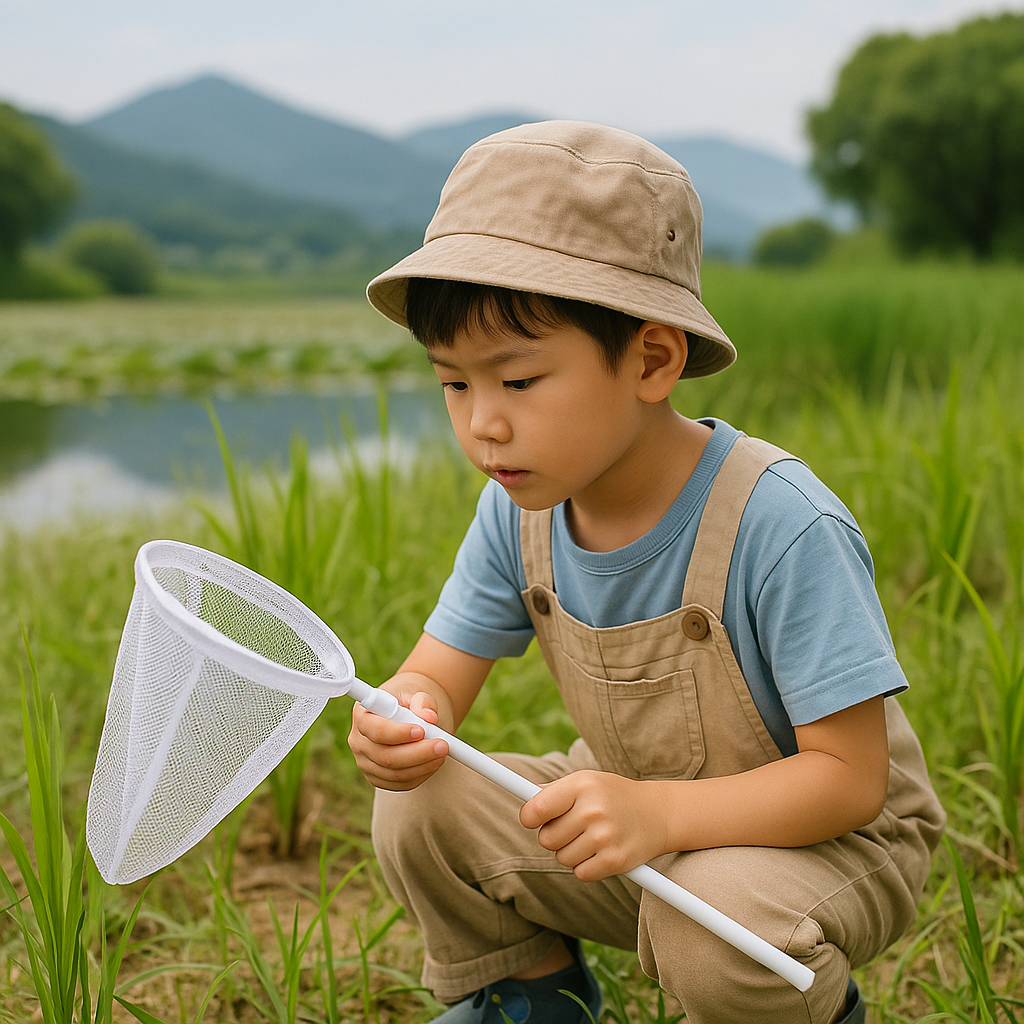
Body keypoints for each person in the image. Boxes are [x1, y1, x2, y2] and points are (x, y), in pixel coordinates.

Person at [348, 121, 945, 1024]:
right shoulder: (520, 511)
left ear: (653, 359)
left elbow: (849, 781)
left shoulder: (779, 522)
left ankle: (804, 1007)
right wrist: (410, 714)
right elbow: (437, 671)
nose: (483, 426)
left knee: (713, 924)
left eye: (517, 381)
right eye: (454, 385)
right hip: (644, 833)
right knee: (423, 804)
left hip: (825, 846)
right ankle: (527, 998)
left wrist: (662, 817)